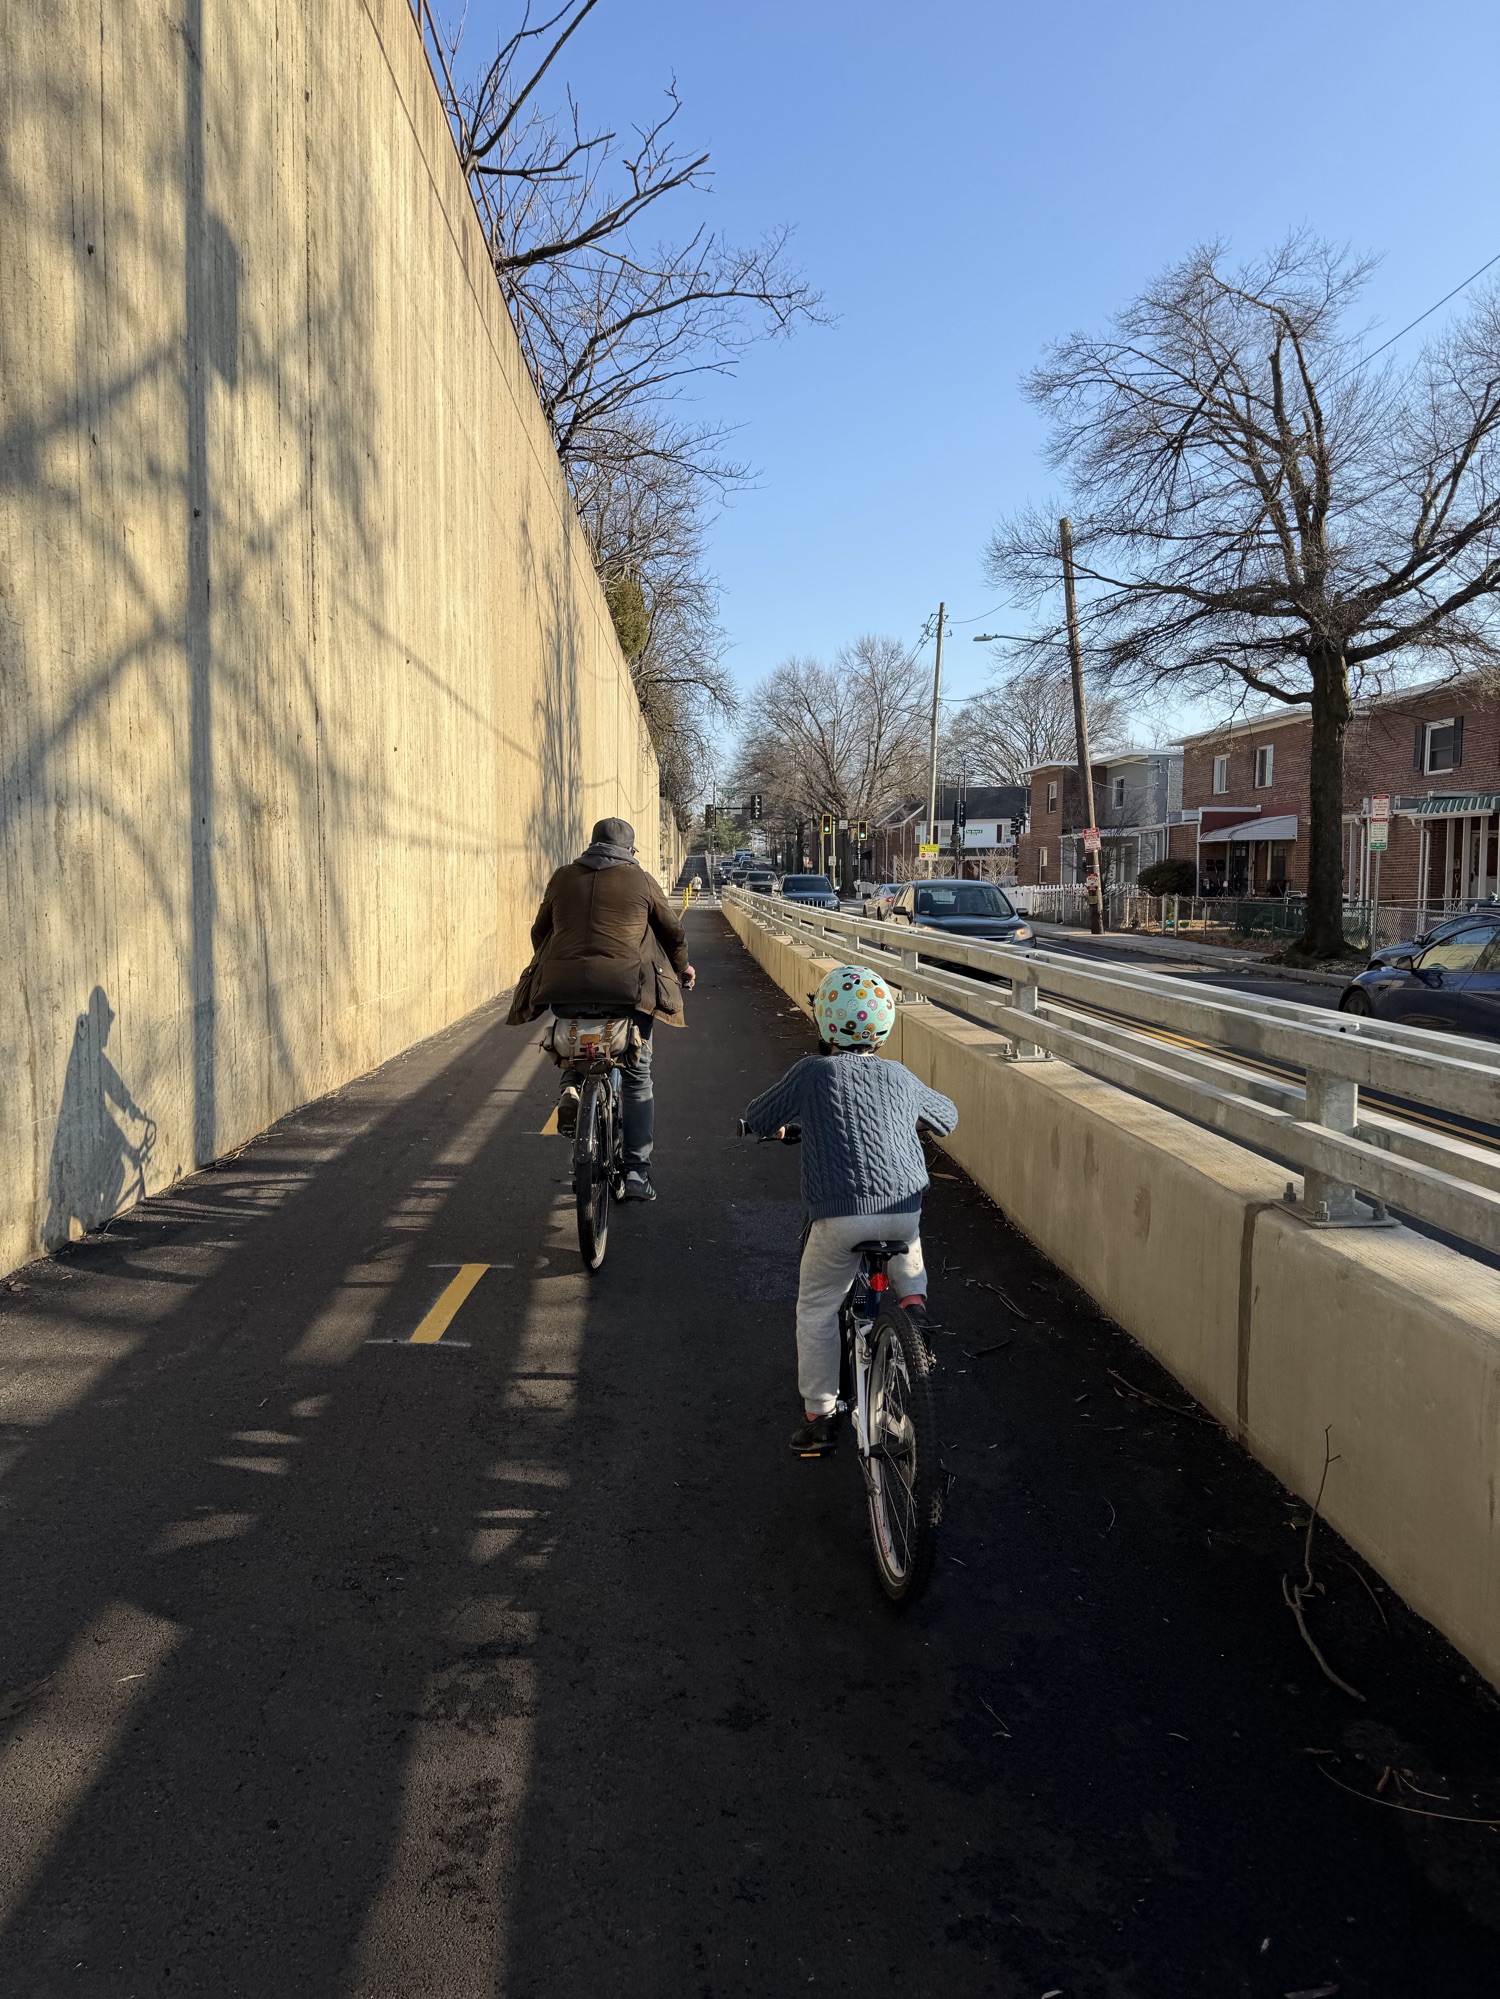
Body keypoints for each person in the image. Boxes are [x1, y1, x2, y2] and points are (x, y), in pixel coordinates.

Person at [740, 964, 957, 1455]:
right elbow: (946, 1116)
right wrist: (906, 1120)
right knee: (907, 1250)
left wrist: (764, 1128)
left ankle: (819, 1414)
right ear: (885, 1027)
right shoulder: (899, 1075)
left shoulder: (813, 1072)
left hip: (840, 1214)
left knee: (817, 1306)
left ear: (824, 1022)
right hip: (903, 1207)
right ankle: (914, 1313)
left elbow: (759, 1116)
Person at [508, 817, 695, 1201]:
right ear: (629, 851)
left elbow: (540, 932)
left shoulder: (563, 877)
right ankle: (637, 1172)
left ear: (591, 846)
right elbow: (672, 933)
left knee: (574, 1048)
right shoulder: (640, 880)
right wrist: (682, 969)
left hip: (566, 989)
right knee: (637, 1074)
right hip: (626, 991)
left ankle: (572, 1087)